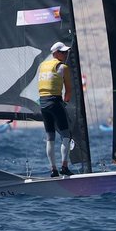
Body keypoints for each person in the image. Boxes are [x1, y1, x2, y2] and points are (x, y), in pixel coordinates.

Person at [38, 42, 74, 177]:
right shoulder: (63, 67)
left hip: (42, 103)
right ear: (56, 53)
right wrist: (65, 103)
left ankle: (53, 170)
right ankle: (64, 167)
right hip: (54, 101)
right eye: (63, 52)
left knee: (50, 137)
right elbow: (68, 92)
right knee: (66, 135)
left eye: (66, 52)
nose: (66, 55)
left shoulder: (42, 66)